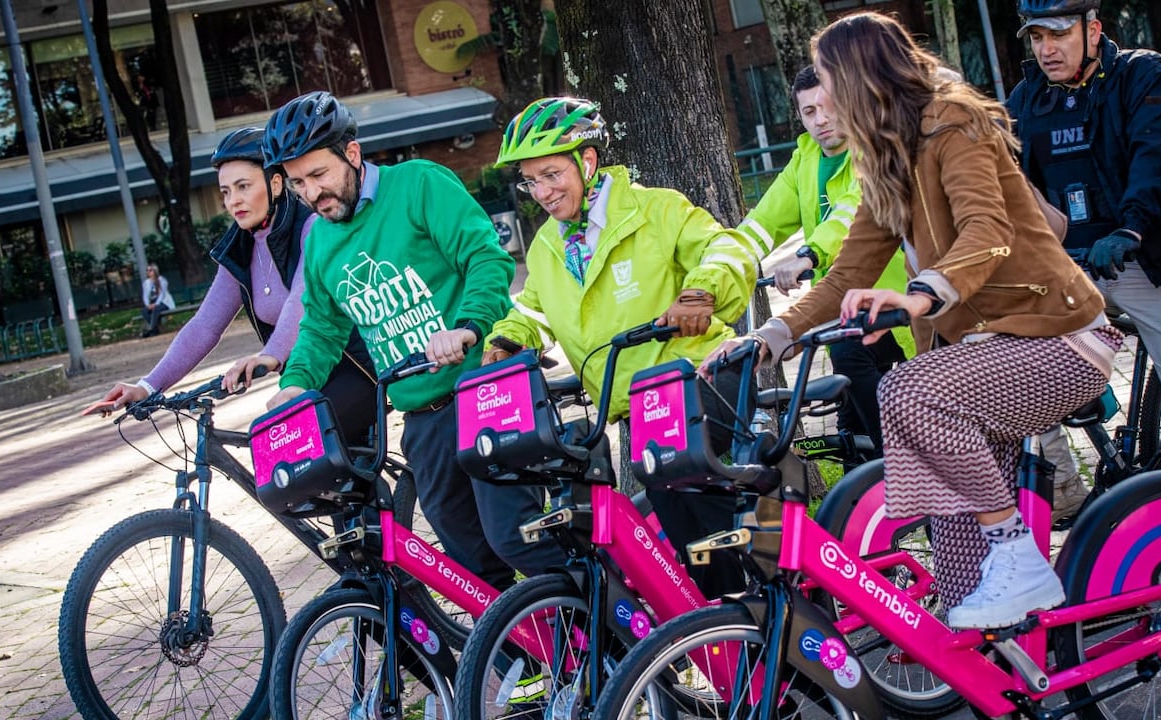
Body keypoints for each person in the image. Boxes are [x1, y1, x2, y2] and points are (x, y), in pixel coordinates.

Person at [706, 12, 1121, 629]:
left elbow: (988, 227)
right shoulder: (886, 159)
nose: (819, 105)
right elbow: (846, 275)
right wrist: (771, 337)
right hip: (985, 355)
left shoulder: (952, 122)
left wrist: (924, 292)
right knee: (947, 519)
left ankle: (1017, 555)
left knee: (907, 389)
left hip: (1059, 337)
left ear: (860, 80)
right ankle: (992, 645)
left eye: (828, 85)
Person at [262, 91, 564, 590]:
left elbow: (486, 259)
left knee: (516, 537)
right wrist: (296, 385)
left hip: (484, 385)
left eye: (319, 175)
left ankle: (617, 650)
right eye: (297, 184)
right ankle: (531, 663)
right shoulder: (317, 238)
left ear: (352, 155)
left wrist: (467, 326)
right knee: (470, 565)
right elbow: (321, 326)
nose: (312, 193)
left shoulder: (420, 184)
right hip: (422, 415)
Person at [1008, 0, 1161, 592]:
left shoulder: (1144, 74)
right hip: (1073, 267)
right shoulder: (1027, 99)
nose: (1046, 49)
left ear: (1093, 29)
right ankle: (1061, 487)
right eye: (1036, 36)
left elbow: (1157, 159)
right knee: (1015, 368)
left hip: (1154, 255)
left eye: (1059, 34)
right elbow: (1012, 178)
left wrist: (1131, 227)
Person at [482, 96, 759, 597]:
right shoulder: (549, 245)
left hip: (698, 380)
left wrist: (702, 291)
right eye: (531, 181)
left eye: (551, 175)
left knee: (717, 538)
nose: (541, 192)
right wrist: (507, 339)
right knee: (690, 544)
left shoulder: (656, 209)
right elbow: (533, 310)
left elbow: (726, 246)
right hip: (639, 409)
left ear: (586, 162)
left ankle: (775, 633)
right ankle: (735, 639)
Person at [92, 127, 378, 445]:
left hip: (355, 367)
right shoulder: (241, 248)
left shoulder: (311, 228)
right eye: (226, 192)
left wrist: (268, 355)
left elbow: (302, 300)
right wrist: (146, 387)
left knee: (290, 447)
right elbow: (205, 325)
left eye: (243, 186)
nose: (233, 201)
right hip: (300, 377)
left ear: (275, 183)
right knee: (289, 466)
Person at [737, 66, 912, 457]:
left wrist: (808, 254)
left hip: (891, 303)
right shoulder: (805, 161)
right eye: (809, 111)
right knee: (850, 426)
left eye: (827, 106)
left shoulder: (872, 152)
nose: (821, 119)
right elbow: (761, 222)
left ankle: (904, 463)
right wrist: (721, 268)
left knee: (848, 358)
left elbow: (852, 212)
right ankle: (863, 498)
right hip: (841, 306)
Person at [139, 263, 174, 338]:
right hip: (153, 303)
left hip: (164, 302)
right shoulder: (146, 282)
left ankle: (151, 329)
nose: (148, 272)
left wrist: (156, 304)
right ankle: (154, 329)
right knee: (144, 311)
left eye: (150, 270)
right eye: (147, 270)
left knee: (156, 309)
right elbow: (145, 295)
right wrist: (147, 305)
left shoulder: (162, 280)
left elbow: (162, 294)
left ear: (155, 271)